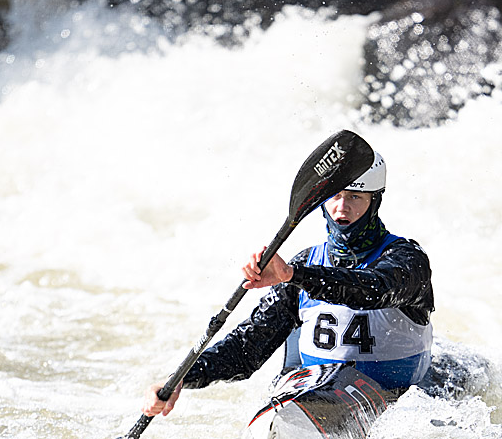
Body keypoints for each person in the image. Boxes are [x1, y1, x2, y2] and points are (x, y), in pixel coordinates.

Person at [142, 151, 434, 417]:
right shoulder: (305, 262)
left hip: (394, 393)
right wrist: (183, 377)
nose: (341, 209)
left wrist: (295, 276)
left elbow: (372, 290)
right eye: (335, 196)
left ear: (375, 202)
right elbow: (247, 348)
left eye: (355, 198)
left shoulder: (407, 260)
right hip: (319, 394)